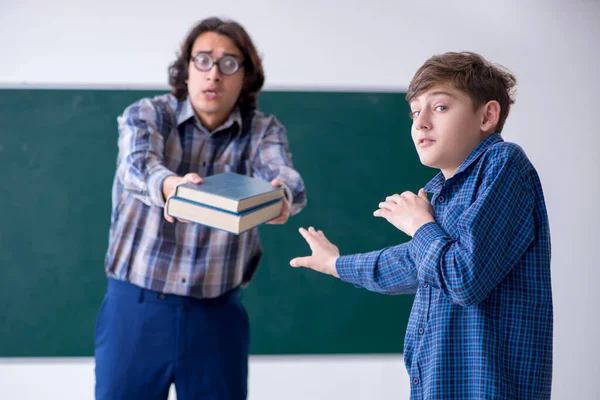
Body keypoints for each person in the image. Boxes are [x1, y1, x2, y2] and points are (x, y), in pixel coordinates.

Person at [290, 52, 552, 399]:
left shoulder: (503, 164)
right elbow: (409, 264)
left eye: (439, 107)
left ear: (488, 115)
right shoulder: (439, 193)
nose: (420, 123)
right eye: (415, 112)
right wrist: (334, 264)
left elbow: (463, 278)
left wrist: (419, 224)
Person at [95, 17, 306, 400]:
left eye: (228, 64)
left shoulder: (263, 130)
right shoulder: (147, 114)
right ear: (186, 69)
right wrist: (172, 186)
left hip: (216, 315)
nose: (214, 74)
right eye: (203, 60)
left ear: (245, 77)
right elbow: (136, 167)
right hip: (136, 309)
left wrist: (282, 197)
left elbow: (285, 175)